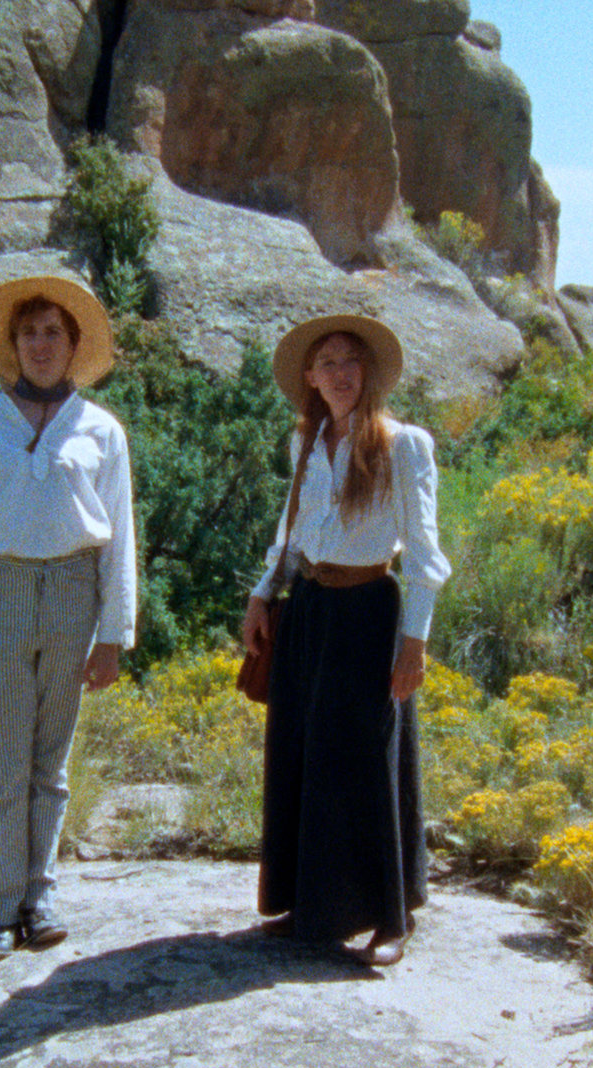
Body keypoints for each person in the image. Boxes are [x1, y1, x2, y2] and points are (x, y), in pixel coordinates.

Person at [0, 275, 136, 962]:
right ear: (13, 344)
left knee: (51, 762)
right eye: (29, 333)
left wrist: (114, 634)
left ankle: (39, 900)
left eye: (54, 332)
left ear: (74, 345)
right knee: (5, 762)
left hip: (75, 593)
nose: (41, 344)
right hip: (3, 591)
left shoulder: (101, 429)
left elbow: (120, 538)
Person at [240, 315, 451, 968]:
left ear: (369, 372)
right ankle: (314, 906)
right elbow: (292, 534)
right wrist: (262, 593)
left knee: (369, 760)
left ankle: (390, 916)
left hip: (368, 613)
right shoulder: (305, 442)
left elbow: (424, 555)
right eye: (327, 362)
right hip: (309, 610)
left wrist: (413, 644)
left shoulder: (403, 445)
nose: (339, 373)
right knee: (307, 756)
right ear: (310, 377)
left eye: (350, 360)